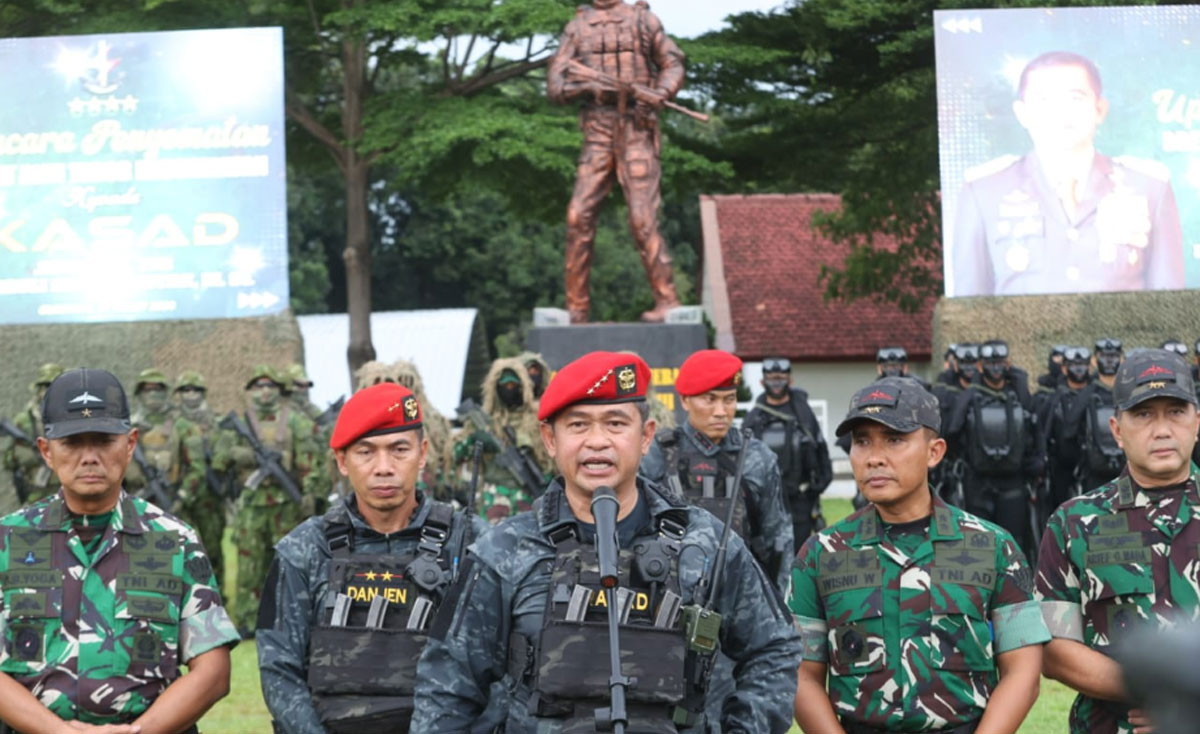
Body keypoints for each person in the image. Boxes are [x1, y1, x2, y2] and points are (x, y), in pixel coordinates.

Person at [412, 351, 803, 733]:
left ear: (646, 436)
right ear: (550, 438)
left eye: (616, 424)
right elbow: (449, 683)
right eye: (578, 425)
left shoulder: (705, 544)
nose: (597, 441)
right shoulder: (505, 551)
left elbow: (774, 646)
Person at [791, 377, 1048, 734]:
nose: (874, 457)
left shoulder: (992, 546)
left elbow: (1023, 671)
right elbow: (803, 675)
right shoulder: (821, 553)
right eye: (861, 441)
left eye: (895, 440)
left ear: (934, 451)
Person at [0, 368, 238, 732]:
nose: (89, 456)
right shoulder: (7, 539)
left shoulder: (175, 540)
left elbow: (213, 671)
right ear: (46, 451)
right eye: (73, 442)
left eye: (103, 441)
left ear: (130, 445)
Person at [257, 382, 490, 733]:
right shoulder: (304, 549)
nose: (384, 467)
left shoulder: (472, 543)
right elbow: (278, 669)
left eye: (399, 449)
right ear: (342, 461)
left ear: (422, 453)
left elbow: (502, 669)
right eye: (366, 452)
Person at [1036, 348, 1200, 734]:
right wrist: (1150, 689)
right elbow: (1053, 648)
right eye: (1143, 414)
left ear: (1197, 422)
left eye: (1175, 412)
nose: (1161, 430)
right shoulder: (1073, 523)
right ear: (1116, 430)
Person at [952, 51, 1184, 296]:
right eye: (1044, 100)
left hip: (1120, 335)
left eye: (1075, 98)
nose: (1061, 112)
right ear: (1022, 113)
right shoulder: (984, 192)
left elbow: (1169, 305)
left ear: (1100, 109)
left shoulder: (1149, 187)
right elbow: (969, 312)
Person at [546, 0, 686, 323]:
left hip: (637, 127)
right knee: (577, 216)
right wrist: (586, 85)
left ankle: (668, 300)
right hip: (597, 128)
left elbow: (673, 63)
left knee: (643, 220)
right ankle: (576, 307)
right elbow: (555, 85)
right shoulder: (577, 26)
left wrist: (661, 91)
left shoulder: (643, 19)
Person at [641, 349, 793, 592]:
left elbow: (779, 536)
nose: (721, 411)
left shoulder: (757, 456)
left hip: (743, 591)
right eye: (710, 399)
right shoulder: (655, 452)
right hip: (669, 590)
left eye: (729, 399)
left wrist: (780, 598)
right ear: (685, 400)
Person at [212, 365, 328, 634]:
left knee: (289, 564)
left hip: (285, 505)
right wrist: (245, 455)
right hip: (251, 504)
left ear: (280, 391)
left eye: (271, 386)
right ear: (250, 391)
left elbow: (311, 462)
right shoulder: (237, 424)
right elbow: (219, 460)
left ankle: (291, 618)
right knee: (249, 566)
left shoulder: (296, 422)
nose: (265, 392)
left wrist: (310, 494)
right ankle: (247, 621)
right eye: (258, 387)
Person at [944, 340, 1042, 557]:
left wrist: (1036, 462)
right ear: (980, 366)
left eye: (1000, 362)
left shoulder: (1019, 395)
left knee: (1014, 543)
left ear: (1007, 364)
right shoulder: (968, 396)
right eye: (990, 363)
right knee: (978, 544)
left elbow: (1035, 429)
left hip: (1013, 481)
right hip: (977, 482)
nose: (995, 368)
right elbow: (951, 432)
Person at [744, 356, 834, 549]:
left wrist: (813, 491)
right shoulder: (753, 419)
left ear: (790, 381)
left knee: (799, 559)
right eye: (772, 379)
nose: (776, 383)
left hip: (800, 503)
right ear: (762, 382)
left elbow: (821, 452)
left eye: (781, 378)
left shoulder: (804, 416)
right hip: (765, 505)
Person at [457, 357, 550, 524]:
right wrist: (474, 440)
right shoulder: (486, 421)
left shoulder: (538, 418)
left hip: (530, 497)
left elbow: (551, 456)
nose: (509, 390)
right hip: (494, 499)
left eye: (514, 385)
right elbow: (454, 454)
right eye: (505, 386)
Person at [170, 369, 228, 590]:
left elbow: (227, 455)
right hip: (181, 495)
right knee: (181, 551)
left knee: (212, 551)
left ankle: (218, 595)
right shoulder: (173, 423)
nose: (191, 394)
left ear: (202, 393)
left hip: (210, 497)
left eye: (195, 390)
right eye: (185, 390)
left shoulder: (217, 422)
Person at [1063, 338, 1125, 492]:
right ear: (1094, 361)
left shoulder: (1130, 392)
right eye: (1104, 357)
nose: (1109, 362)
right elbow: (1068, 432)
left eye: (1114, 357)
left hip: (1128, 473)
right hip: (1094, 474)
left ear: (1122, 359)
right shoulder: (1085, 395)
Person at [1039, 347, 1092, 516]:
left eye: (1082, 365)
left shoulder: (1097, 397)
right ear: (1064, 369)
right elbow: (1042, 433)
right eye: (1073, 365)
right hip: (1060, 466)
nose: (1078, 370)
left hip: (1093, 467)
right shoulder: (1053, 399)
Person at [2, 363, 64, 505]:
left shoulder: (79, 418)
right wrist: (24, 455)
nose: (48, 392)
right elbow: (9, 461)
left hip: (74, 498)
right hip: (38, 497)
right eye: (45, 387)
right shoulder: (25, 420)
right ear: (38, 390)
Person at [124, 368, 178, 503]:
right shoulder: (128, 425)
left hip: (173, 494)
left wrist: (183, 497)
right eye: (147, 389)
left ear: (164, 393)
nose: (152, 394)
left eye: (157, 389)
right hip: (135, 497)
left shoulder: (179, 423)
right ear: (139, 394)